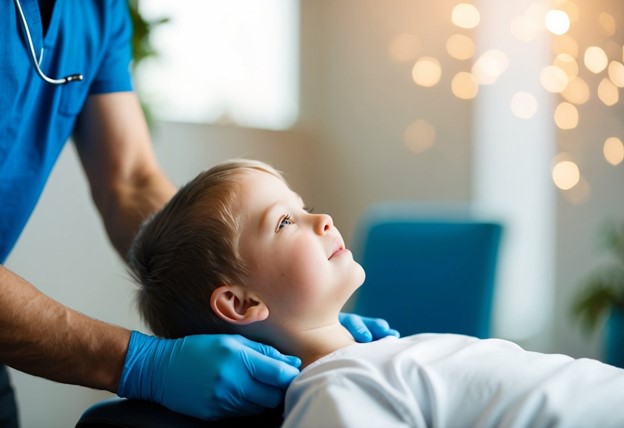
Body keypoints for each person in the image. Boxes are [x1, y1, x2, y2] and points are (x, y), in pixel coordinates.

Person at [0, 1, 396, 426]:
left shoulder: (99, 10)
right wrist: (138, 363)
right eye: (284, 220)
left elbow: (130, 181)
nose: (325, 221)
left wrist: (296, 325)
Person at [129, 159, 624, 427]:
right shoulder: (334, 388)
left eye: (301, 208)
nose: (320, 219)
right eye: (283, 221)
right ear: (240, 303)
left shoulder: (372, 357)